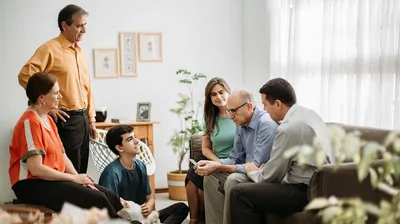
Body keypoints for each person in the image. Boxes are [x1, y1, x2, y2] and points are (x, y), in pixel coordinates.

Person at [9, 72, 123, 218]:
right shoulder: (30, 122)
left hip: (49, 181)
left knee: (106, 193)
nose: (60, 97)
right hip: (30, 185)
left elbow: (63, 156)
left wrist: (81, 179)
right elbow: (36, 169)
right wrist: (74, 179)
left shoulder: (48, 119)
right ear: (41, 98)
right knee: (97, 199)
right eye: (56, 93)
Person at [229, 78, 334, 224]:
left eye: (265, 105)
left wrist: (251, 170)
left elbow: (269, 178)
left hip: (306, 192)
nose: (264, 109)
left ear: (278, 104)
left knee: (239, 193)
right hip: (324, 187)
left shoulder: (288, 129)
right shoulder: (309, 114)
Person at [18, 4, 96, 174]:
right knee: (70, 172)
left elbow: (87, 87)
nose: (84, 30)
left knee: (81, 171)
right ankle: (70, 202)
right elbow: (25, 75)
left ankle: (80, 201)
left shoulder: (79, 51)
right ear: (64, 25)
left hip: (82, 120)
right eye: (79, 25)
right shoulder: (49, 49)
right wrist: (49, 107)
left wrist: (91, 119)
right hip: (66, 119)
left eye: (85, 25)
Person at [195, 89, 278, 224]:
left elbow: (256, 167)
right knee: (210, 175)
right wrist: (214, 164)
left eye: (233, 111)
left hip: (262, 175)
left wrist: (220, 167)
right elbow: (235, 158)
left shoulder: (266, 124)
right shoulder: (241, 122)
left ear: (249, 106)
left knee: (233, 179)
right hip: (247, 170)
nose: (230, 116)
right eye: (229, 111)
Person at [99, 125, 189, 224]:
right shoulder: (111, 174)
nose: (137, 141)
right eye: (130, 139)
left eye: (135, 137)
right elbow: (110, 214)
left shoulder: (141, 166)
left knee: (181, 208)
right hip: (125, 221)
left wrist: (150, 206)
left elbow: (150, 198)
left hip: (142, 217)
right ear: (120, 147)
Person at [185, 77, 236, 224]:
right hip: (216, 160)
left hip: (233, 162)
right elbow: (205, 148)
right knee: (192, 175)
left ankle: (204, 219)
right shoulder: (210, 118)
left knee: (205, 182)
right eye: (213, 94)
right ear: (209, 98)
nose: (218, 97)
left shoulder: (237, 115)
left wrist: (221, 166)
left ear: (228, 92)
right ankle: (194, 220)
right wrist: (217, 162)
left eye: (221, 92)